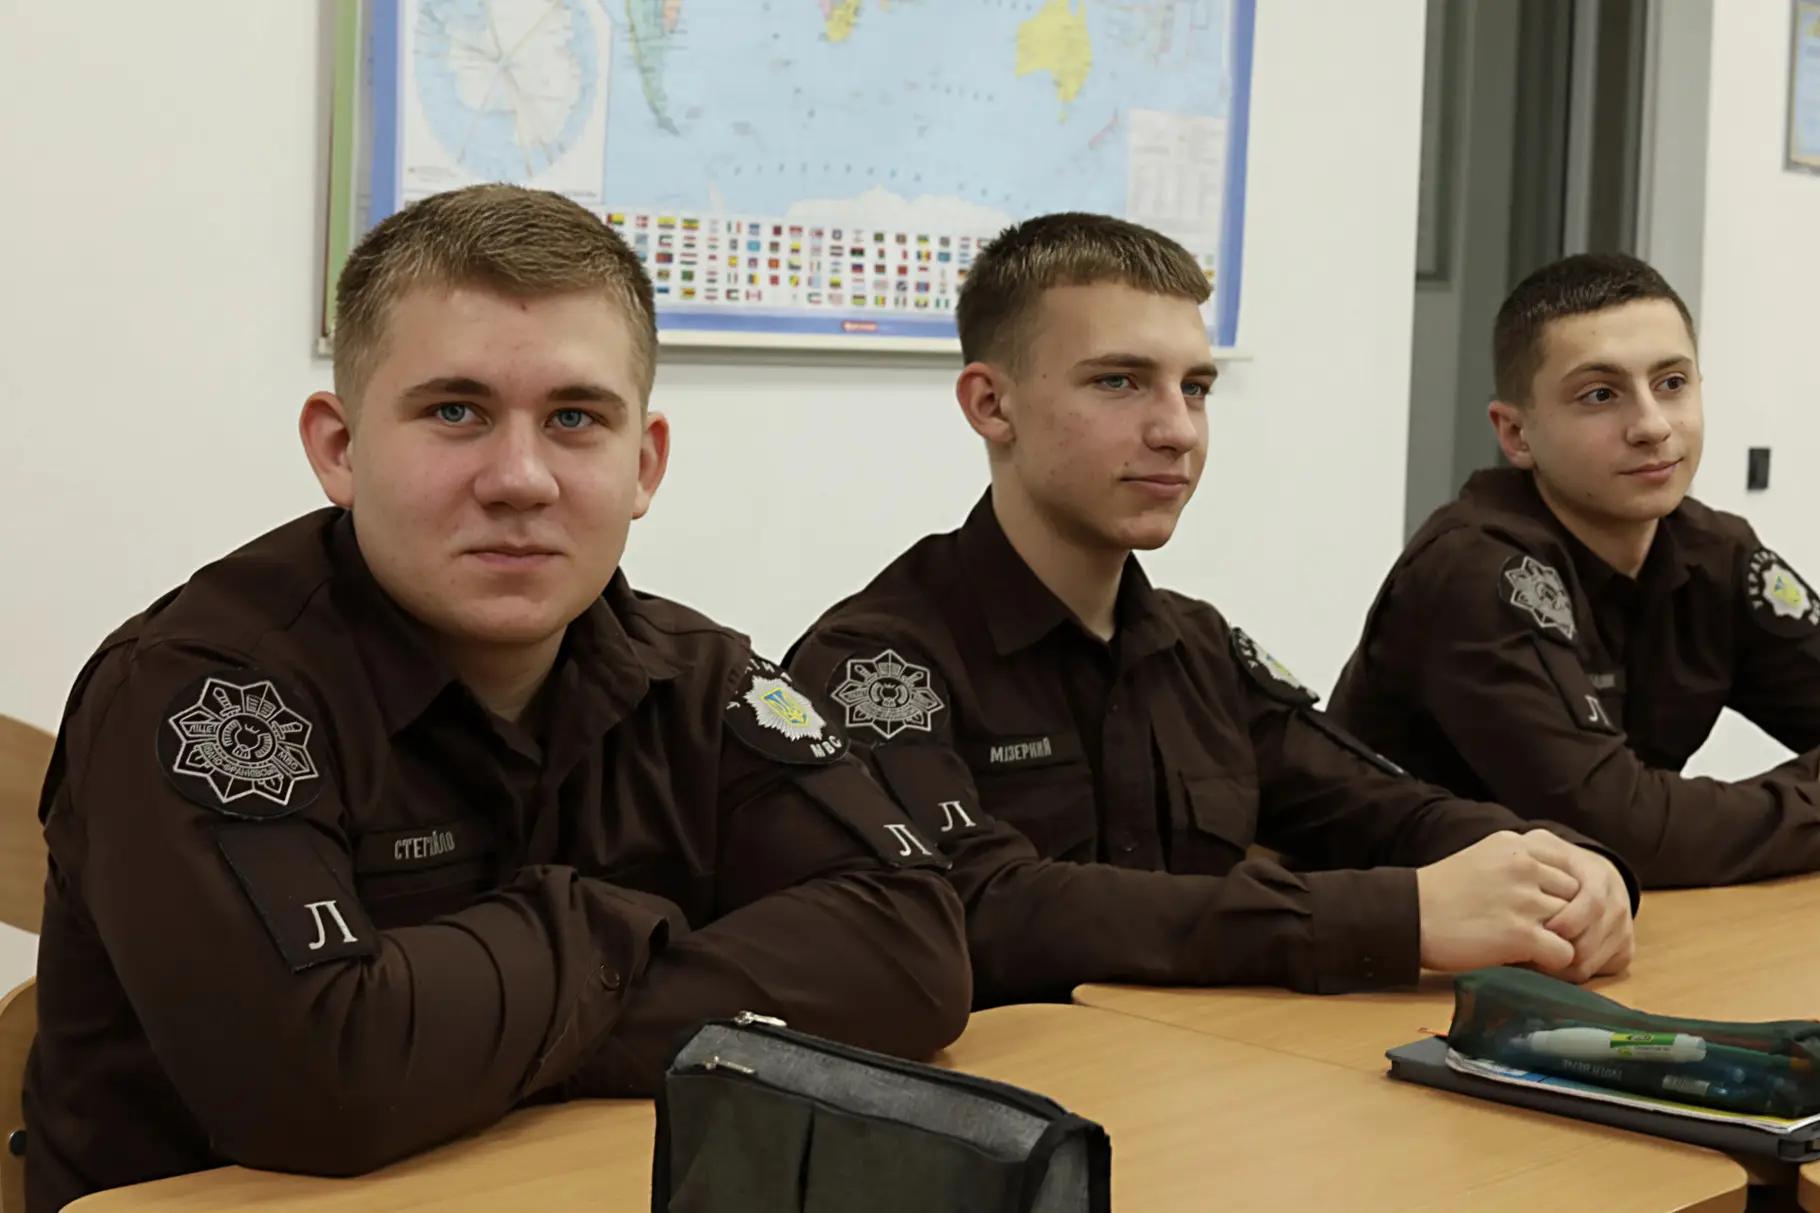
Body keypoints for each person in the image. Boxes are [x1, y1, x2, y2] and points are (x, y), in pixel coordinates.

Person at [24, 185, 971, 1211]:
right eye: (455, 412)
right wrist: (610, 926)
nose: (520, 477)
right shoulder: (201, 698)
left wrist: (484, 1031)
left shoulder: (702, 675)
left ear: (644, 463)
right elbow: (317, 1083)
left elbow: (915, 949)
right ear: (339, 448)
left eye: (574, 418)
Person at [786, 212, 1636, 1012]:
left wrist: (1560, 864)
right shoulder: (877, 662)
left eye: (1194, 388)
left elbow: (1384, 805)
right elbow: (976, 906)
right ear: (991, 404)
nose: (1178, 431)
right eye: (1119, 382)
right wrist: (1395, 916)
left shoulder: (1196, 647)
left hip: (1196, 1077)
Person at [1330, 252, 1820, 888]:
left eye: (1672, 383)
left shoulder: (1715, 553)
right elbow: (1621, 833)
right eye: (1601, 395)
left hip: (1602, 916)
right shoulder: (1474, 571)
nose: (1651, 426)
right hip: (1408, 929)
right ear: (1516, 434)